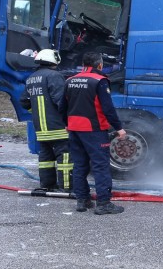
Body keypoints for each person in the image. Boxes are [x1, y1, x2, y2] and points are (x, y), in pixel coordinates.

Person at [60, 52, 126, 215]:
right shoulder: (100, 81)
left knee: (80, 165)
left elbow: (62, 106)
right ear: (100, 65)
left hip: (74, 128)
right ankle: (103, 203)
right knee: (100, 166)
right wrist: (119, 128)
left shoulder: (70, 80)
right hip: (94, 130)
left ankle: (82, 200)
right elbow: (108, 108)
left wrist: (67, 124)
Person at [19, 49, 73, 192]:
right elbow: (60, 101)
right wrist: (70, 118)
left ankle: (47, 185)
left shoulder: (32, 78)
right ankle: (66, 187)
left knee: (46, 159)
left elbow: (24, 101)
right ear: (54, 61)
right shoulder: (55, 76)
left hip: (41, 129)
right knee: (65, 158)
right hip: (58, 127)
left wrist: (35, 111)